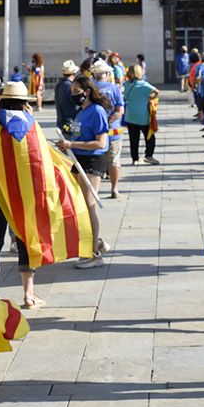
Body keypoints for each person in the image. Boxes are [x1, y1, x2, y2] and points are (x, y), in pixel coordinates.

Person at [0, 82, 46, 308]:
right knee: (26, 239)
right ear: (24, 102)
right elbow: (40, 160)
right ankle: (28, 295)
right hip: (25, 194)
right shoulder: (32, 126)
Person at [60, 74, 113, 268]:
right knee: (79, 206)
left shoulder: (97, 111)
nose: (73, 95)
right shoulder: (80, 111)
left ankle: (95, 254)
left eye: (76, 91)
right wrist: (67, 145)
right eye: (71, 91)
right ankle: (95, 241)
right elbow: (77, 135)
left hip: (92, 160)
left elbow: (101, 142)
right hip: (78, 158)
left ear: (87, 91)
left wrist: (72, 143)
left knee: (89, 204)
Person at [93, 61, 127, 199]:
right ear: (107, 74)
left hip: (95, 131)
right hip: (114, 130)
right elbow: (120, 110)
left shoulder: (90, 89)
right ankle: (114, 188)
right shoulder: (114, 89)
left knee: (96, 160)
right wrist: (109, 121)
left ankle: (95, 189)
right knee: (114, 160)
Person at [122, 65, 160, 165]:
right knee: (149, 137)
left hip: (130, 116)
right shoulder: (144, 84)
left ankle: (135, 158)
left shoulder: (126, 84)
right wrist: (150, 97)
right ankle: (149, 155)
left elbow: (125, 97)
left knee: (133, 139)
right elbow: (156, 91)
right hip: (143, 116)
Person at [54, 59, 80, 131]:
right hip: (72, 121)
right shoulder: (70, 86)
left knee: (66, 138)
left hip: (61, 121)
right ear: (74, 73)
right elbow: (77, 102)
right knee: (75, 138)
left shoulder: (59, 84)